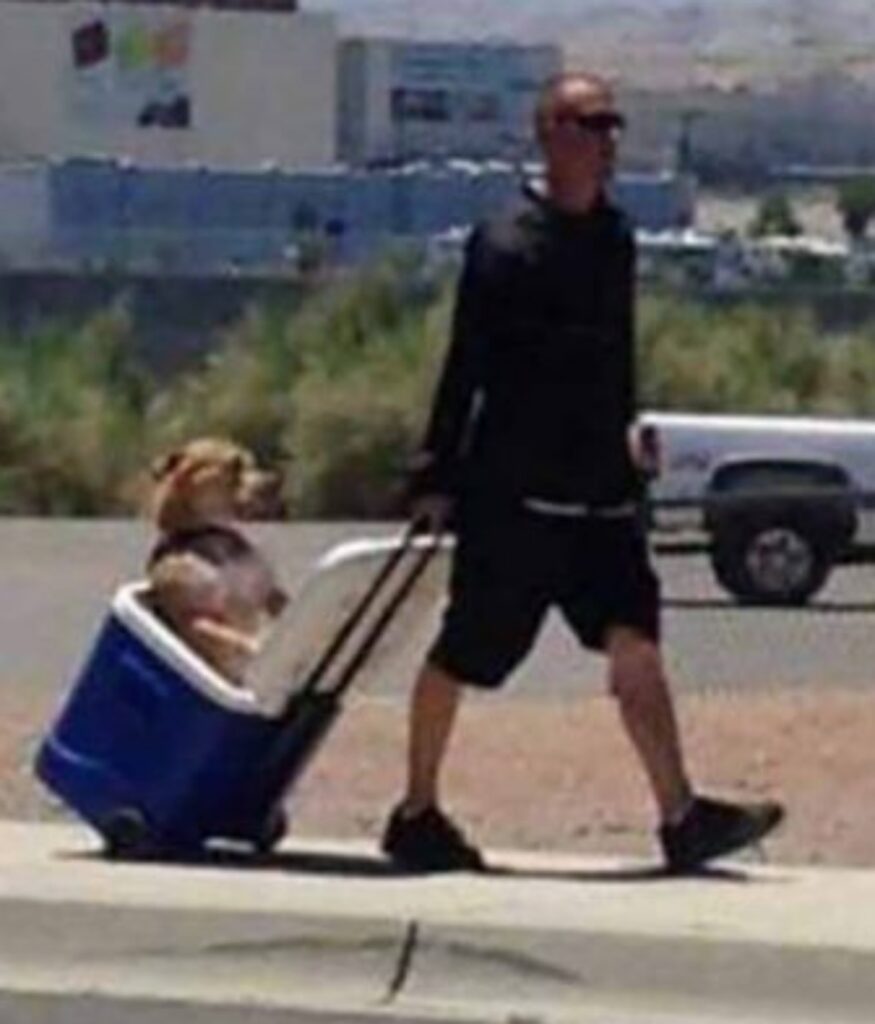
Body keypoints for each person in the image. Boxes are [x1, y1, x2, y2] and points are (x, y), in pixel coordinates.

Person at [381, 72, 784, 874]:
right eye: (591, 124)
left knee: (634, 638)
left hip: (599, 492)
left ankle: (680, 816)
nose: (607, 140)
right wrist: (435, 475)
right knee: (466, 653)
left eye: (612, 125)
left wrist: (628, 434)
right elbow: (467, 366)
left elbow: (615, 357)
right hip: (516, 499)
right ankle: (416, 811)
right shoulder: (503, 245)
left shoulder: (615, 239)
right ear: (550, 134)